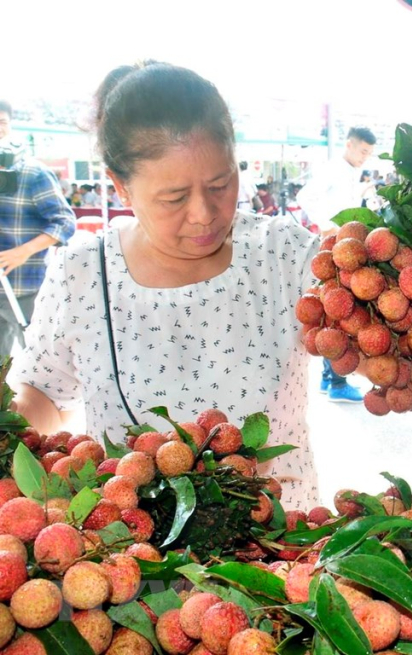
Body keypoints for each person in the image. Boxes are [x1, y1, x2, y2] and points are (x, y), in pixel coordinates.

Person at [8, 63, 320, 509]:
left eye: (220, 183)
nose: (203, 213)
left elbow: (370, 344)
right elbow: (43, 392)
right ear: (121, 187)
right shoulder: (82, 272)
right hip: (134, 555)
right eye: (174, 198)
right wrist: (12, 421)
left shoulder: (285, 254)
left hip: (285, 551)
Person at [296, 126, 377, 404]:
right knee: (339, 312)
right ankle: (337, 382)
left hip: (348, 251)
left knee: (336, 311)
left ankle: (329, 378)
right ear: (350, 145)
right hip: (334, 251)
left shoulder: (352, 173)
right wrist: (327, 225)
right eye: (363, 151)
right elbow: (303, 197)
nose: (366, 157)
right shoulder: (333, 169)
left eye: (370, 153)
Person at [0, 100, 77, 356]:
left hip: (25, 288)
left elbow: (65, 222)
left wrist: (25, 251)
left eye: (2, 123)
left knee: (40, 364)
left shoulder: (33, 173)